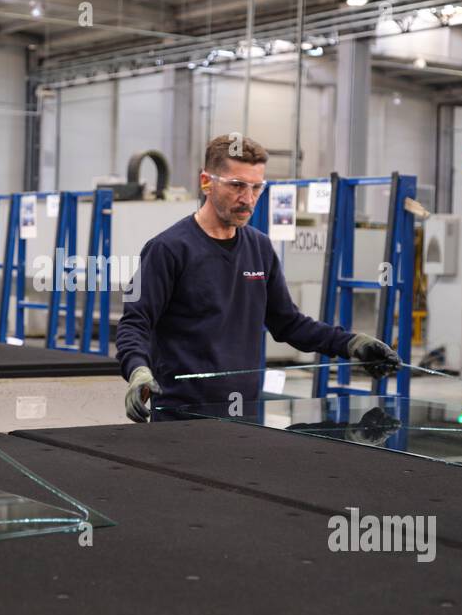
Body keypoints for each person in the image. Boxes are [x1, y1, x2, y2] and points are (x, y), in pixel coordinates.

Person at [115, 134, 400, 422]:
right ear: (206, 182)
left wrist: (351, 343)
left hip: (245, 416)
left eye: (256, 188)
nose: (248, 199)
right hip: (181, 419)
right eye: (237, 185)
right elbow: (135, 322)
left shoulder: (260, 248)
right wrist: (138, 371)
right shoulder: (168, 249)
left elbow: (289, 323)